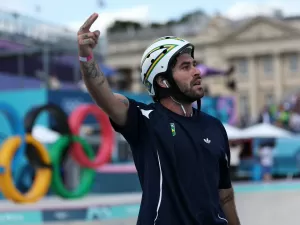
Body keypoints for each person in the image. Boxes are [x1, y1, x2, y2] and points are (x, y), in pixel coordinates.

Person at [77, 13, 241, 225]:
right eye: (185, 67)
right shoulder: (145, 120)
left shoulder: (215, 126)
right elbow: (104, 96)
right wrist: (85, 56)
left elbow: (225, 193)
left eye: (194, 64)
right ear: (163, 81)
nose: (197, 71)